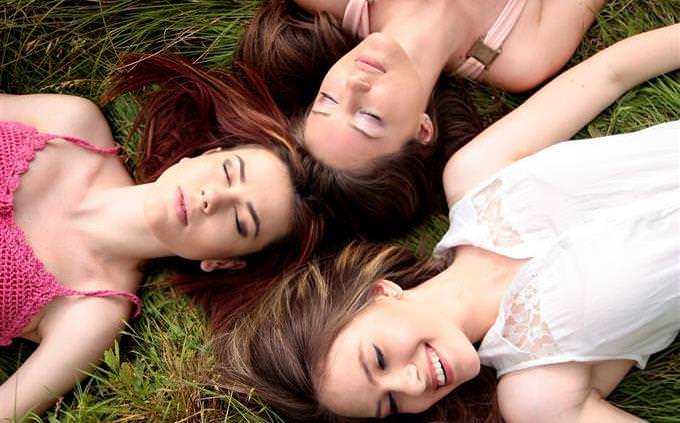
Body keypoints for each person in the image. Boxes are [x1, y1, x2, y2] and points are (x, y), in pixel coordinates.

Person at [218, 24, 680, 422]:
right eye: (392, 403)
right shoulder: (538, 395)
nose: (413, 382)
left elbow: (610, 73)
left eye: (379, 360)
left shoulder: (474, 177)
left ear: (380, 293)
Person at [0, 56, 318, 420]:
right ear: (203, 156)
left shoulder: (93, 311)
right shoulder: (71, 124)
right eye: (228, 173)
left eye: (239, 220)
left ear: (222, 261)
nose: (212, 198)